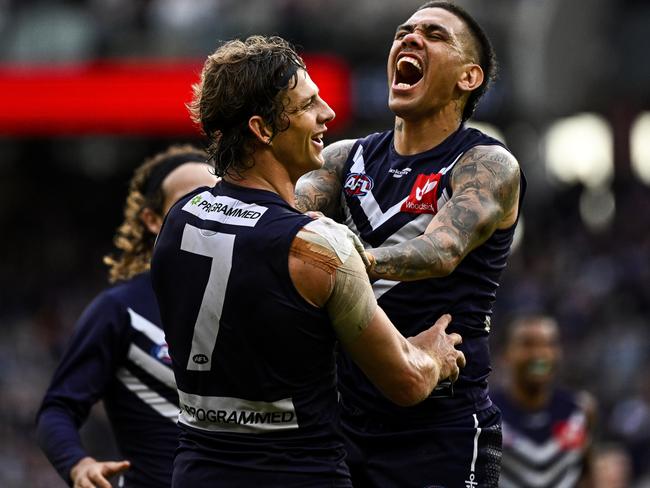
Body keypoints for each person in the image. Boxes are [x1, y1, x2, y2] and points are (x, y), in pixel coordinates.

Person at [151, 35, 466, 487]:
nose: (328, 114)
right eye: (307, 105)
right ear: (262, 129)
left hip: (197, 473)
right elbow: (407, 382)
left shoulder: (180, 217)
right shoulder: (318, 248)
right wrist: (433, 356)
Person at [295, 1, 525, 486]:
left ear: (469, 78)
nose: (411, 38)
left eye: (434, 34)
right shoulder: (343, 159)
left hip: (441, 425)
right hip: (342, 422)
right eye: (404, 31)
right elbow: (282, 228)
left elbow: (440, 251)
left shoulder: (484, 164)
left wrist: (353, 259)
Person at [36, 145, 218, 488]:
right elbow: (57, 409)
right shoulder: (120, 311)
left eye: (219, 199)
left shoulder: (255, 299)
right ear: (152, 219)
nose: (210, 210)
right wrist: (78, 465)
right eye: (193, 200)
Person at [491, 315, 597, 488]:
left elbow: (587, 477)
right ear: (506, 354)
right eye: (527, 344)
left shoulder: (581, 410)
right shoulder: (486, 414)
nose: (539, 354)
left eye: (549, 344)